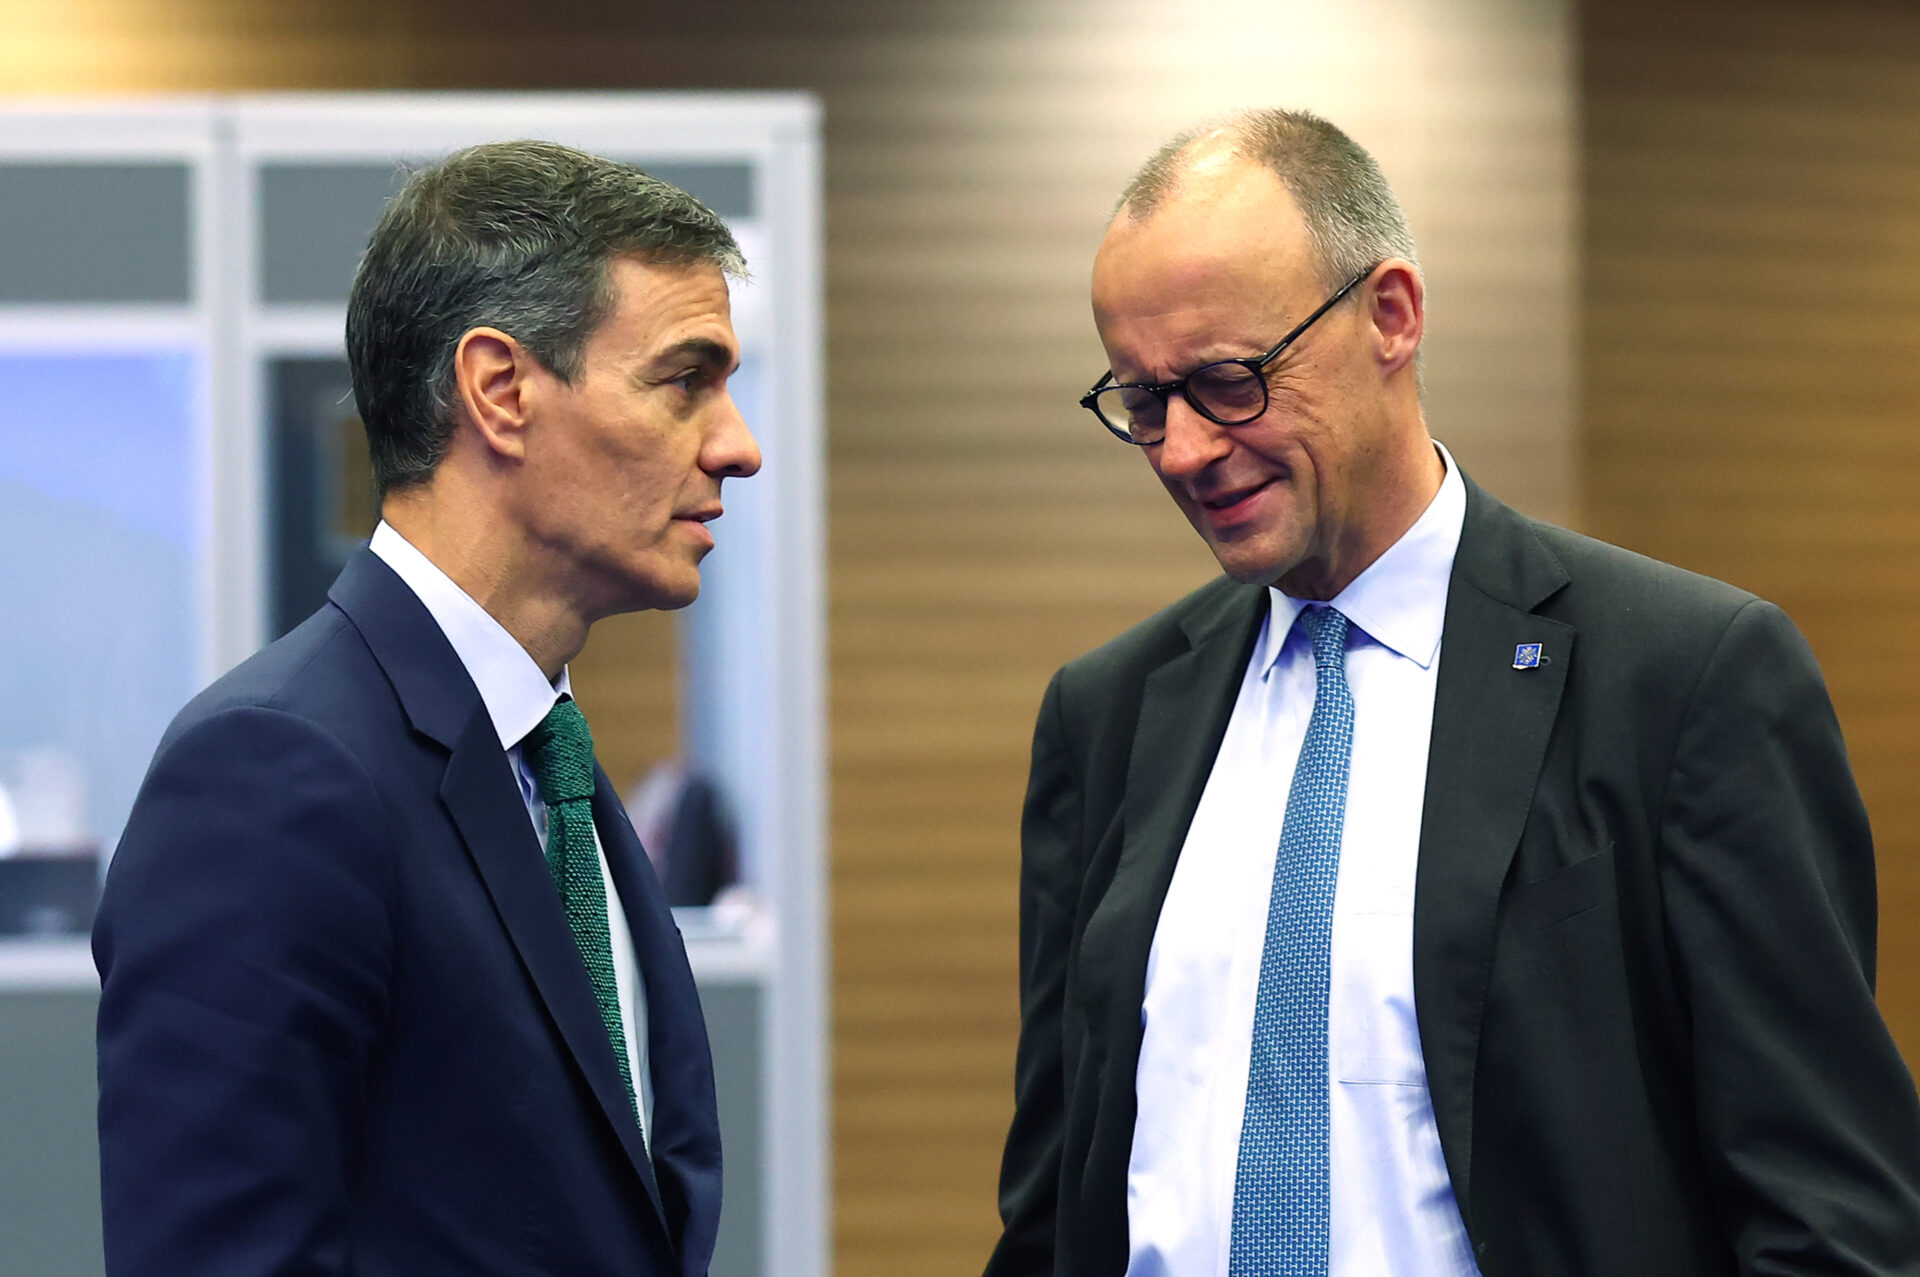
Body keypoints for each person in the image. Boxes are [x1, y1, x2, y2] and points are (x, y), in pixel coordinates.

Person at [985, 109, 1920, 1277]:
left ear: (1391, 314)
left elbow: (1832, 1214)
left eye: (1228, 382)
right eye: (1143, 401)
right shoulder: (1108, 716)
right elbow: (1052, 1207)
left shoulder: (1685, 679)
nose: (1181, 450)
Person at [93, 139, 760, 1275]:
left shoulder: (550, 763)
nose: (738, 446)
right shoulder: (272, 771)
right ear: (500, 390)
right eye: (684, 381)